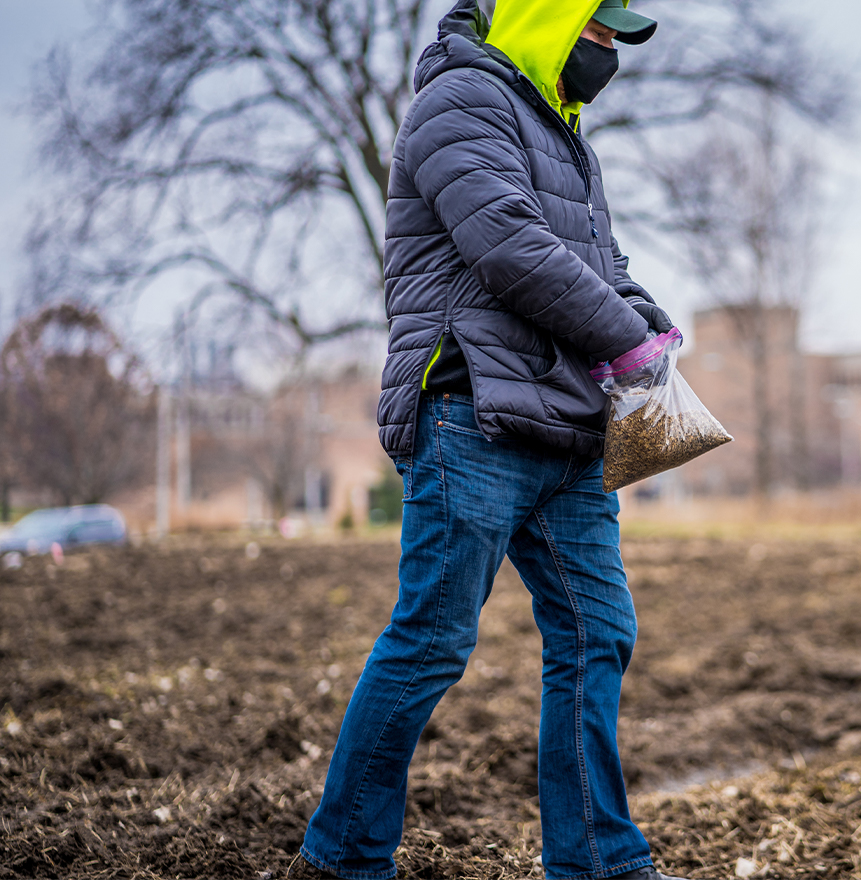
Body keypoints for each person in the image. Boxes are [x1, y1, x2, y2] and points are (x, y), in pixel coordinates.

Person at [287, 1, 681, 879]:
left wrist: (655, 328)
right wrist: (623, 336)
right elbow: (509, 246)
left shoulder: (567, 135)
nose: (611, 51)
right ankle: (342, 858)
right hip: (473, 411)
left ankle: (598, 864)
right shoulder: (459, 102)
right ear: (547, 17)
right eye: (600, 29)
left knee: (599, 632)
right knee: (432, 639)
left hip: (567, 428)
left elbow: (600, 263)